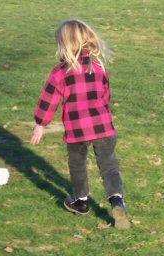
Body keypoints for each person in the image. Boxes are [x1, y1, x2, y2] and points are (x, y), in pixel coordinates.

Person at [30, 19, 131, 230]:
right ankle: (117, 201)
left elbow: (49, 100)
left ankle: (81, 201)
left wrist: (40, 124)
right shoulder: (99, 67)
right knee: (109, 167)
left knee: (78, 165)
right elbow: (106, 96)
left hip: (77, 131)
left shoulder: (60, 73)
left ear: (64, 43)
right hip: (103, 126)